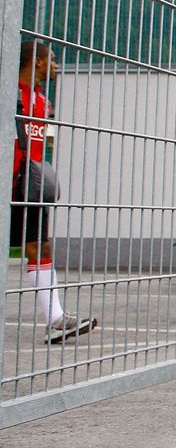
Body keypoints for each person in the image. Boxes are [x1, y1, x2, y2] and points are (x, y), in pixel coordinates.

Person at [12, 40, 94, 342]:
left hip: (27, 189)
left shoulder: (42, 102)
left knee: (40, 247)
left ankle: (57, 318)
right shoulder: (9, 94)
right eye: (53, 60)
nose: (57, 66)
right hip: (8, 185)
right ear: (37, 62)